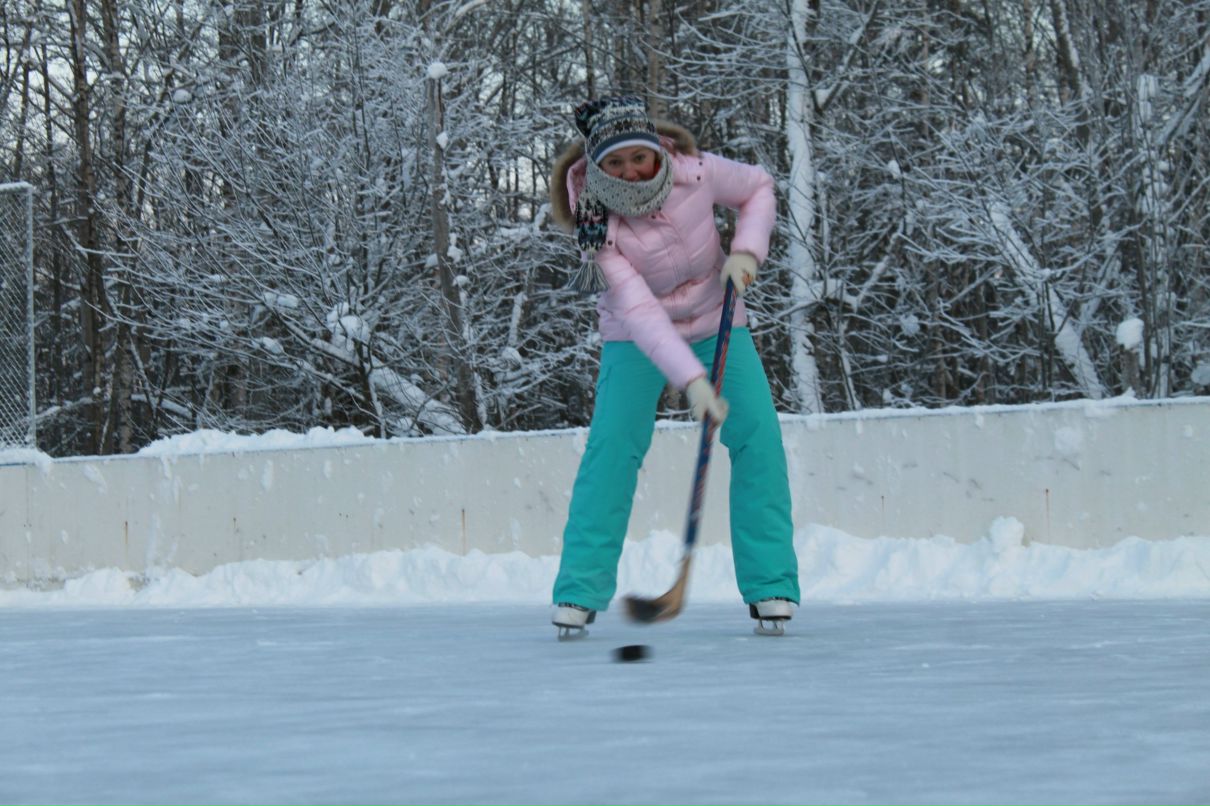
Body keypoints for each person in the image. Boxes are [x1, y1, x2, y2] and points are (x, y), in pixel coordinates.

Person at [548, 95, 799, 638]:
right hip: (636, 334)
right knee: (613, 448)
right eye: (615, 163)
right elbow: (639, 312)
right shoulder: (597, 226)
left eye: (638, 157)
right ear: (597, 166)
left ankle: (770, 584)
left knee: (758, 436)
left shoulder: (696, 173)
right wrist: (692, 381)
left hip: (716, 316)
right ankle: (579, 590)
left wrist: (747, 251)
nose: (630, 172)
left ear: (657, 150)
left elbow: (758, 187)